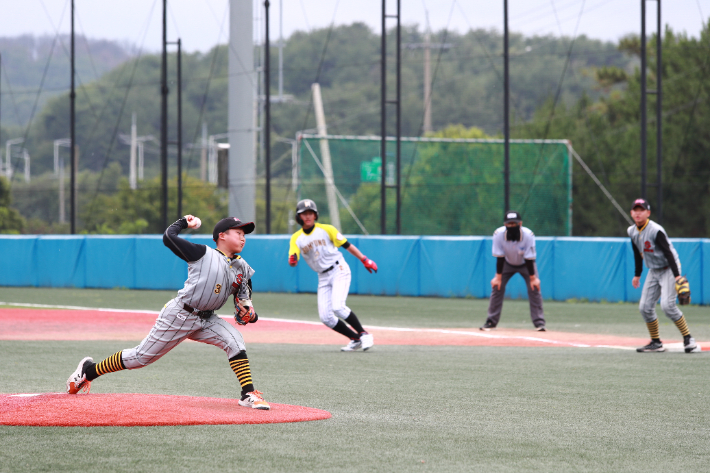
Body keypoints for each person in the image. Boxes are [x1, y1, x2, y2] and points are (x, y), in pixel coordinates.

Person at [65, 215, 271, 409]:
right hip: (181, 314)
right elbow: (168, 238)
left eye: (245, 234)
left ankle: (248, 394)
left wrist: (248, 313)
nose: (243, 237)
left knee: (235, 340)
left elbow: (244, 299)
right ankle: (89, 371)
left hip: (208, 320)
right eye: (239, 233)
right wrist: (183, 222)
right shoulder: (202, 253)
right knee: (140, 358)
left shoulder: (242, 266)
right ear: (222, 236)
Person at [288, 199, 378, 351]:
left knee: (338, 307)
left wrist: (364, 259)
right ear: (299, 217)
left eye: (310, 213)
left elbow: (347, 246)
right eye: (304, 214)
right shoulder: (297, 238)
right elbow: (293, 258)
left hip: (339, 269)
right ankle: (355, 339)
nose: (308, 216)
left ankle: (364, 334)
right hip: (322, 277)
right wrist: (293, 260)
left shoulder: (327, 229)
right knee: (326, 317)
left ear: (315, 215)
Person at [627, 198, 699, 353]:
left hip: (669, 268)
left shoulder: (655, 230)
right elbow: (636, 253)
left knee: (667, 305)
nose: (638, 213)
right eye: (636, 210)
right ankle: (656, 342)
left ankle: (688, 339)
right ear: (631, 213)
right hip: (653, 270)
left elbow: (668, 253)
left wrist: (677, 276)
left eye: (642, 210)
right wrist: (637, 274)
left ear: (648, 213)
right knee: (645, 307)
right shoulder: (632, 231)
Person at [480, 211, 546, 331]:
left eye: (514, 223)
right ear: (504, 225)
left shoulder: (528, 235)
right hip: (506, 263)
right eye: (508, 224)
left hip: (526, 264)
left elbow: (529, 259)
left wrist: (533, 278)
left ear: (520, 223)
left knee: (534, 287)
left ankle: (539, 323)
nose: (511, 226)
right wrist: (498, 277)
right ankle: (491, 322)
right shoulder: (498, 234)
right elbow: (500, 257)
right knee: (497, 287)